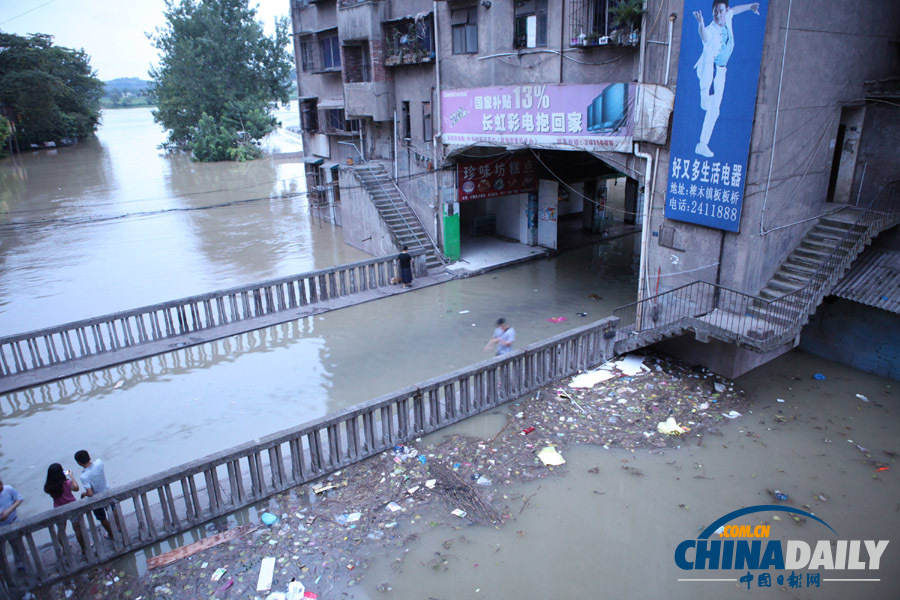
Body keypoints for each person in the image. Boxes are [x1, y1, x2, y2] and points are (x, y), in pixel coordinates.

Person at [693, 0, 760, 157]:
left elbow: (735, 10)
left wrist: (750, 7)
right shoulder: (711, 29)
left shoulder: (728, 17)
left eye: (720, 11)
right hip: (709, 69)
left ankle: (702, 144)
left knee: (715, 110)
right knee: (706, 105)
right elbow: (704, 35)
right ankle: (704, 98)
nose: (717, 14)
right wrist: (701, 24)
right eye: (715, 11)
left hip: (721, 71)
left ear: (725, 11)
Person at [74, 450, 117, 540]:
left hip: (97, 498)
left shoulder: (84, 476)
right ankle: (119, 527)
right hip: (107, 491)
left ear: (79, 463)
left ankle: (111, 534)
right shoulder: (99, 463)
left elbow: (90, 493)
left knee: (102, 517)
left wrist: (84, 493)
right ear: (89, 457)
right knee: (113, 509)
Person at [43, 463, 86, 554]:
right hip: (72, 507)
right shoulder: (67, 483)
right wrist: (71, 476)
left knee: (61, 530)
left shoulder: (48, 487)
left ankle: (65, 548)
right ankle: (83, 548)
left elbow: (47, 491)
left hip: (59, 509)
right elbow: (76, 488)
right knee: (77, 529)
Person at [0, 477, 25, 570]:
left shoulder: (8, 489)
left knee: (17, 545)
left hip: (12, 520)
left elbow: (19, 499)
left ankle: (20, 563)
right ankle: (3, 568)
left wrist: (8, 511)